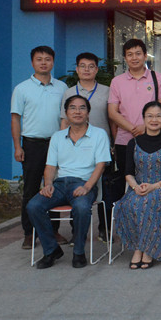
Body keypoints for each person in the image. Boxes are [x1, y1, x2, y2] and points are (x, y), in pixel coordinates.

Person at [27, 95, 111, 269]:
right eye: (73, 108)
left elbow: (101, 165)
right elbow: (50, 166)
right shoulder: (57, 137)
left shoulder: (99, 134)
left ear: (88, 113)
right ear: (66, 113)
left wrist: (87, 187)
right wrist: (48, 184)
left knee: (81, 207)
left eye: (82, 108)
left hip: (84, 183)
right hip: (59, 185)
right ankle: (51, 250)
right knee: (33, 206)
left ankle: (79, 252)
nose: (77, 112)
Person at [11, 45, 69, 250]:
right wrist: (17, 146)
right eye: (39, 59)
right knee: (30, 189)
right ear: (32, 62)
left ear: (53, 62)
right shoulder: (22, 89)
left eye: (47, 59)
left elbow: (65, 117)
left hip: (56, 144)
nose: (43, 63)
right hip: (32, 144)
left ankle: (53, 230)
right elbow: (15, 119)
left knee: (54, 188)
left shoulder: (62, 87)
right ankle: (29, 233)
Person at [114, 101, 161, 269]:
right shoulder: (133, 143)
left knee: (150, 202)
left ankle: (148, 250)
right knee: (130, 204)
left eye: (158, 116)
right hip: (138, 187)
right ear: (143, 118)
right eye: (150, 116)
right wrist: (135, 187)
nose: (154, 120)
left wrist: (154, 186)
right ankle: (139, 247)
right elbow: (128, 172)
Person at [108, 40, 161, 229]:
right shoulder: (117, 81)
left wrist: (145, 127)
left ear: (145, 55)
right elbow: (112, 112)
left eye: (138, 53)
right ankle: (124, 225)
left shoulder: (157, 78)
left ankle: (150, 224)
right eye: (130, 54)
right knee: (125, 182)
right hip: (124, 141)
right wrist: (134, 128)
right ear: (125, 58)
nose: (134, 57)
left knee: (151, 182)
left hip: (152, 141)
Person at [60, 52, 116, 241]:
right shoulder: (69, 93)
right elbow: (64, 121)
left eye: (91, 66)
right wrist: (64, 146)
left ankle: (105, 229)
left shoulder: (107, 91)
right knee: (76, 189)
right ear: (77, 69)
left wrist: (113, 142)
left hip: (102, 148)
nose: (87, 70)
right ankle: (77, 231)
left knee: (106, 191)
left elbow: (112, 119)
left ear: (96, 70)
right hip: (76, 149)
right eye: (83, 66)